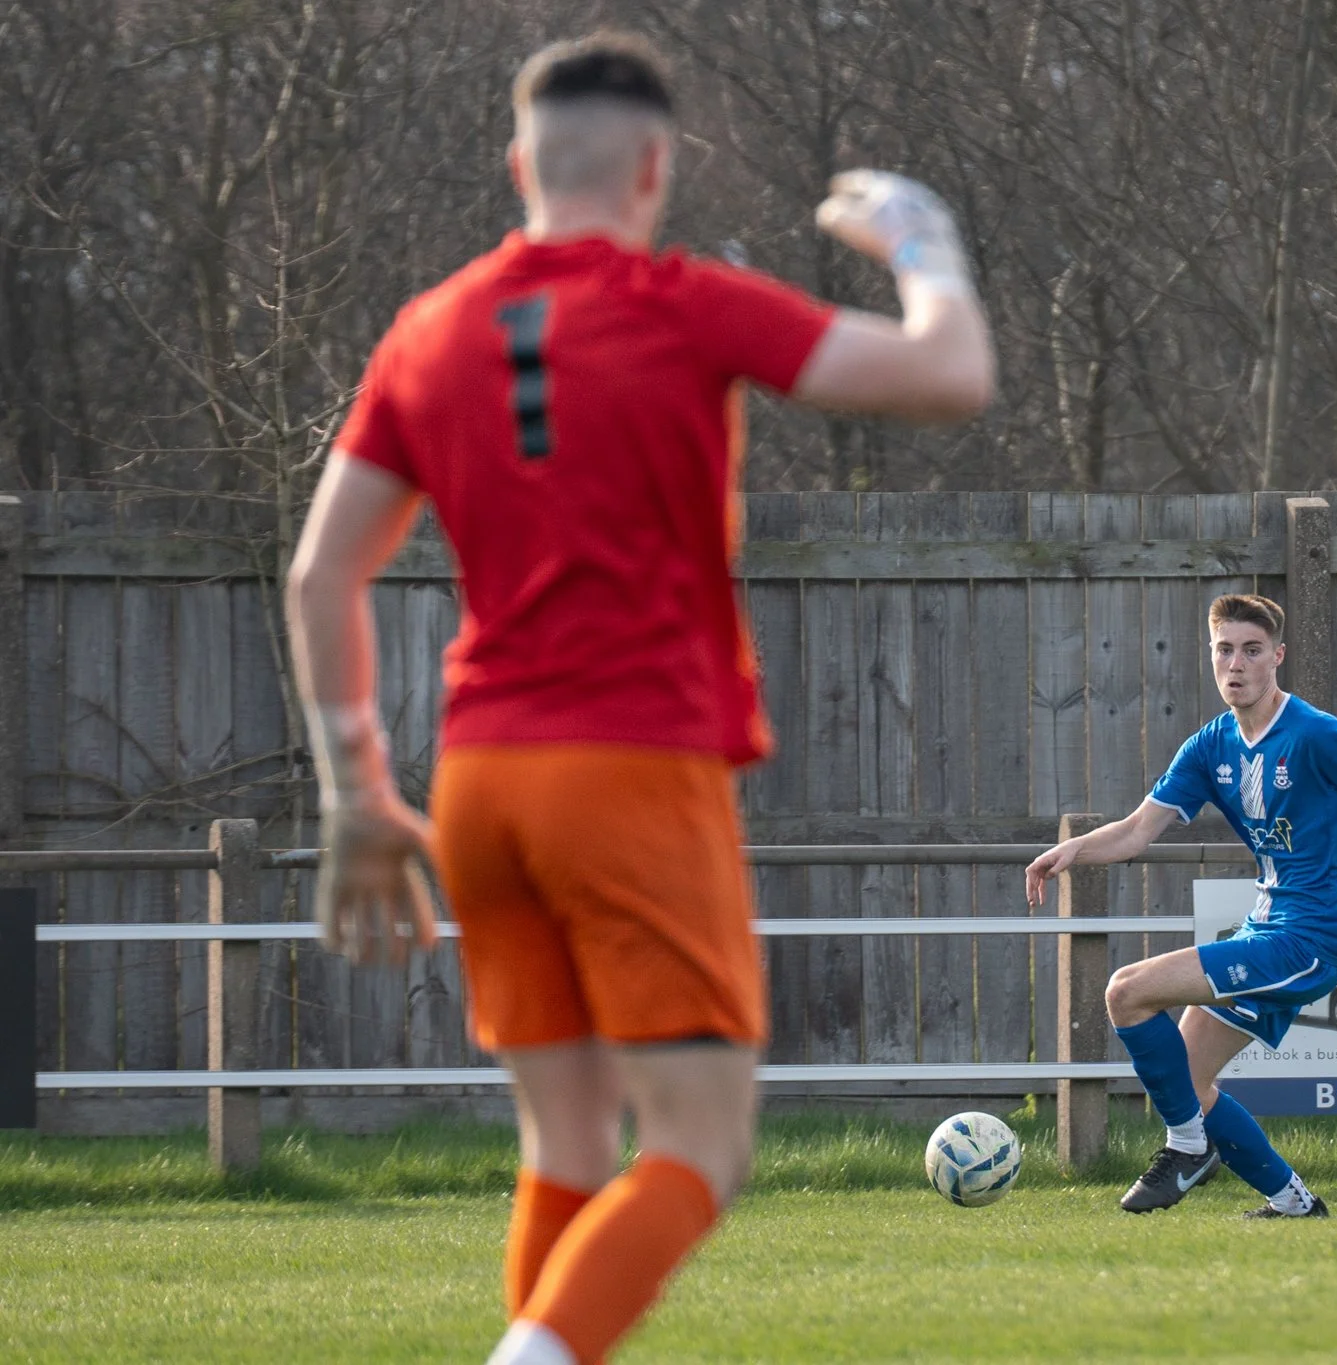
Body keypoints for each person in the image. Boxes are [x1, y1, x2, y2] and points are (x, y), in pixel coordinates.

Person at [284, 32, 992, 1365]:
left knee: (567, 1140)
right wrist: (924, 243)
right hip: (630, 765)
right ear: (656, 168)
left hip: (479, 777)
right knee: (699, 1148)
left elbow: (324, 571)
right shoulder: (686, 304)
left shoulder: (427, 331)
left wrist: (354, 789)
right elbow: (949, 375)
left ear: (519, 165)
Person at [1025, 593, 1337, 1217]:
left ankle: (1187, 1150)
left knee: (1125, 992)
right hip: (1265, 928)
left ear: (1277, 658)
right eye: (1224, 650)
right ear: (1210, 657)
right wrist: (1072, 851)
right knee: (1186, 1082)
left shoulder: (1317, 735)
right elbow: (1138, 830)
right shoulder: (1210, 746)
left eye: (1251, 650)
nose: (1236, 664)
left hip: (1311, 941)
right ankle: (1294, 1204)